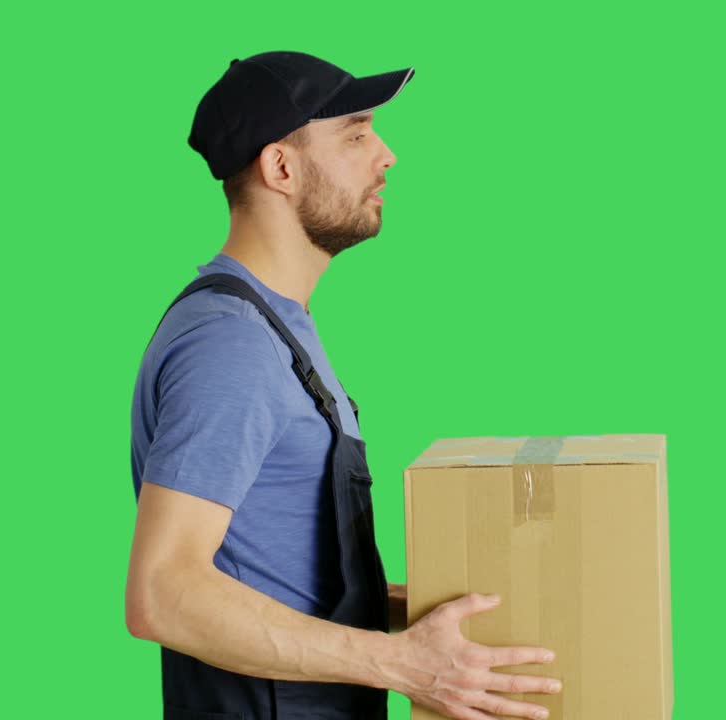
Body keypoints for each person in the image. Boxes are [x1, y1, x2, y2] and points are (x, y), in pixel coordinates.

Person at [126, 51, 562, 720]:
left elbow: (277, 570)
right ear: (281, 168)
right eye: (356, 134)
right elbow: (163, 590)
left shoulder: (277, 326)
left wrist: (418, 613)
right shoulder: (231, 343)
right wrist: (402, 662)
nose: (386, 155)